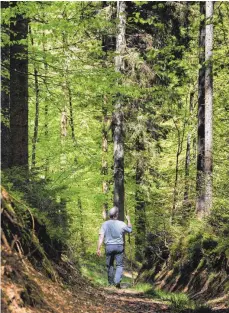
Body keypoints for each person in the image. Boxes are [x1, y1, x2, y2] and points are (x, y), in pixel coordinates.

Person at [97, 206, 132, 288]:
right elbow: (130, 230)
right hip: (119, 247)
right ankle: (117, 282)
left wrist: (98, 248)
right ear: (116, 214)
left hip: (109, 246)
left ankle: (110, 283)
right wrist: (129, 220)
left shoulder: (104, 224)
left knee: (110, 265)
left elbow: (101, 237)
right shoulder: (121, 223)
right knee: (119, 265)